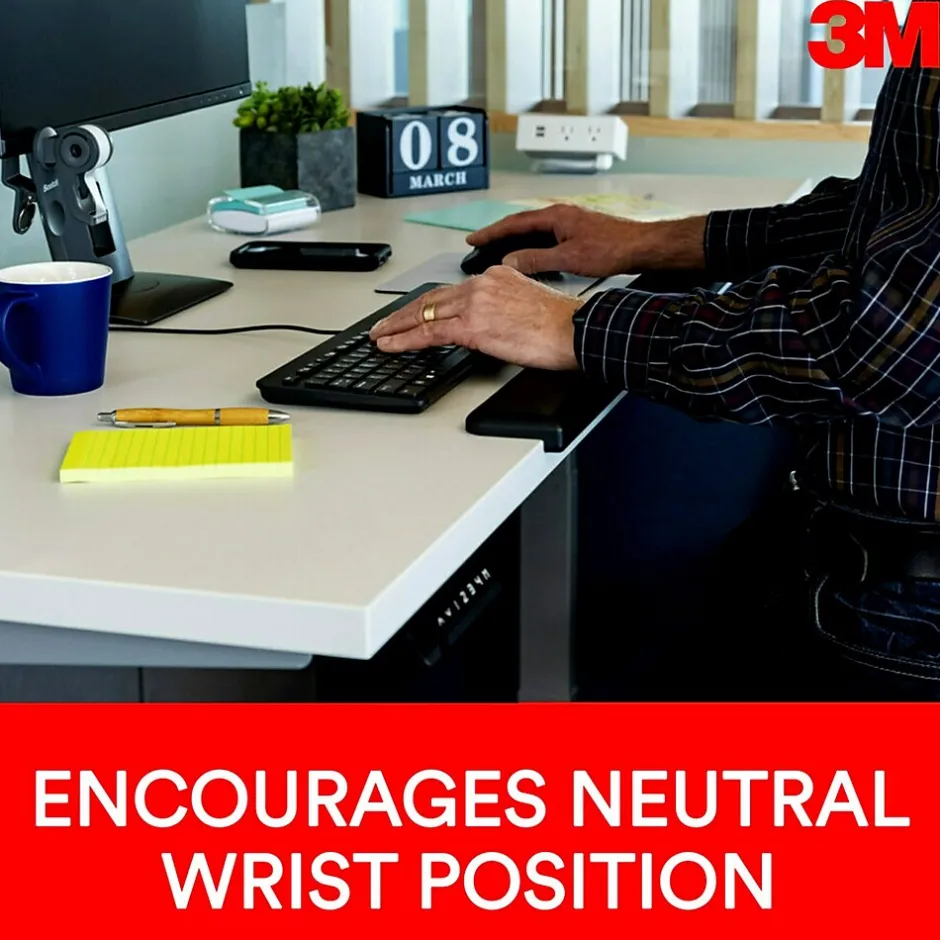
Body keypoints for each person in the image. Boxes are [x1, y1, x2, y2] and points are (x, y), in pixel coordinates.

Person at [370, 59, 940, 702]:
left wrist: (570, 325)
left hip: (903, 609)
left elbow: (879, 346)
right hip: (843, 546)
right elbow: (887, 209)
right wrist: (647, 244)